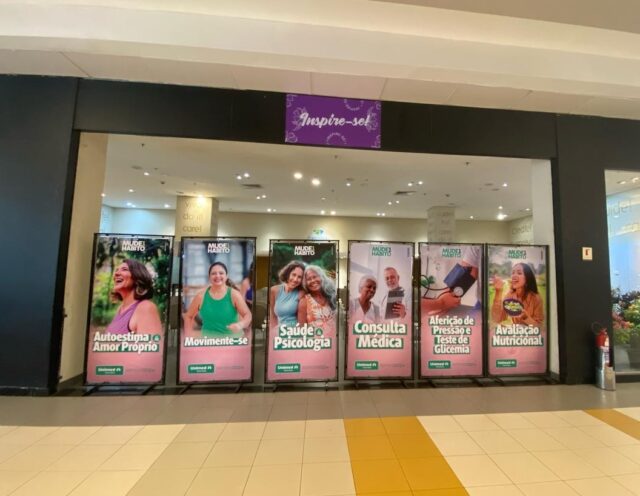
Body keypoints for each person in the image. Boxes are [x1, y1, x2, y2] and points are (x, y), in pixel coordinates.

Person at [183, 261, 252, 335]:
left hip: (232, 340)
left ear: (226, 276)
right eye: (213, 273)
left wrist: (240, 325)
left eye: (221, 273)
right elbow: (188, 316)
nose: (217, 276)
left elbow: (248, 315)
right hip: (209, 340)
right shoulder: (201, 296)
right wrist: (188, 336)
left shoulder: (234, 295)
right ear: (209, 277)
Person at [106, 259, 162, 334]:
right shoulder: (121, 309)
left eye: (124, 269)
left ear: (137, 276)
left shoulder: (145, 307)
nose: (116, 273)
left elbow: (153, 341)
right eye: (116, 270)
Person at [421, 245, 480, 316]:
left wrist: (442, 303)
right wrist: (443, 303)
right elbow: (468, 270)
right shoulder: (475, 245)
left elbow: (469, 270)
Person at [269, 260, 306, 328]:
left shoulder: (301, 293)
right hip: (278, 330)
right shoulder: (274, 290)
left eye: (299, 277)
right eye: (293, 275)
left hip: (294, 331)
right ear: (288, 273)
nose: (295, 279)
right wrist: (273, 331)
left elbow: (302, 322)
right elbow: (273, 316)